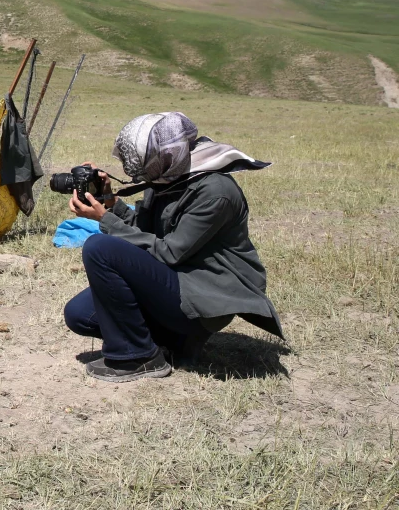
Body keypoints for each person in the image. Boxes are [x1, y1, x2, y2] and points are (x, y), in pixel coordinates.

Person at [62, 112, 283, 383]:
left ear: (166, 156)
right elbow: (148, 232)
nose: (142, 176)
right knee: (80, 315)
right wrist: (111, 202)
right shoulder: (171, 175)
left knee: (100, 247)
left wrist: (106, 221)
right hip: (179, 280)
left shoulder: (215, 192)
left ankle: (139, 356)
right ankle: (175, 342)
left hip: (206, 292)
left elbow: (169, 252)